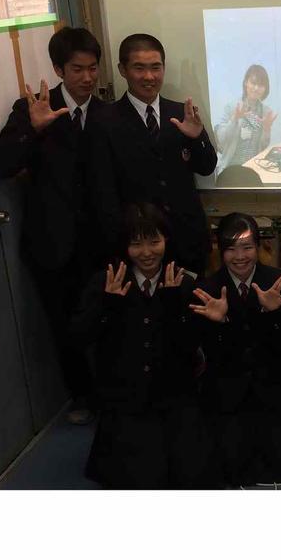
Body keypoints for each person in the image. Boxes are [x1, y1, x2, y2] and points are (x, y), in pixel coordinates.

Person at [0, 26, 106, 425]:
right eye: (77, 69)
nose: (87, 77)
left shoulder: (107, 112)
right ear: (59, 69)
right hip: (52, 242)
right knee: (64, 324)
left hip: (102, 240)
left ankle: (114, 394)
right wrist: (32, 129)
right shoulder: (33, 109)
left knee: (109, 319)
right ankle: (81, 396)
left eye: (93, 68)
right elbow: (2, 166)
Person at [71, 204, 210, 488]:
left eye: (154, 242)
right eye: (136, 244)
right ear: (125, 246)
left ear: (166, 240)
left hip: (173, 397)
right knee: (135, 477)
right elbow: (79, 337)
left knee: (189, 476)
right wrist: (107, 307)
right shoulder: (107, 281)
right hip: (125, 398)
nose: (146, 252)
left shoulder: (185, 282)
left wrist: (174, 308)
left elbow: (192, 347)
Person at [189, 213, 281, 487]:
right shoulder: (206, 289)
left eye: (247, 247)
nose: (240, 257)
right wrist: (222, 323)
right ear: (220, 250)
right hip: (227, 391)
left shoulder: (279, 282)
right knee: (228, 467)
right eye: (231, 249)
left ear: (258, 247)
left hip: (275, 386)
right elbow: (213, 356)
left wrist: (271, 313)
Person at [89, 33, 217, 276]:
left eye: (156, 67)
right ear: (123, 70)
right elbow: (103, 193)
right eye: (139, 68)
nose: (149, 76)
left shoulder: (182, 113)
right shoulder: (104, 121)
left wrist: (197, 137)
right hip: (139, 248)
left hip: (187, 241)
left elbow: (207, 166)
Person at [214, 64, 277, 175]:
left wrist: (267, 129)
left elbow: (263, 146)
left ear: (265, 89)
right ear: (246, 83)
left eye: (260, 85)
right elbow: (221, 139)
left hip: (254, 169)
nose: (256, 88)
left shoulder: (265, 111)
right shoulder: (232, 107)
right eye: (253, 83)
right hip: (231, 168)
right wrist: (234, 119)